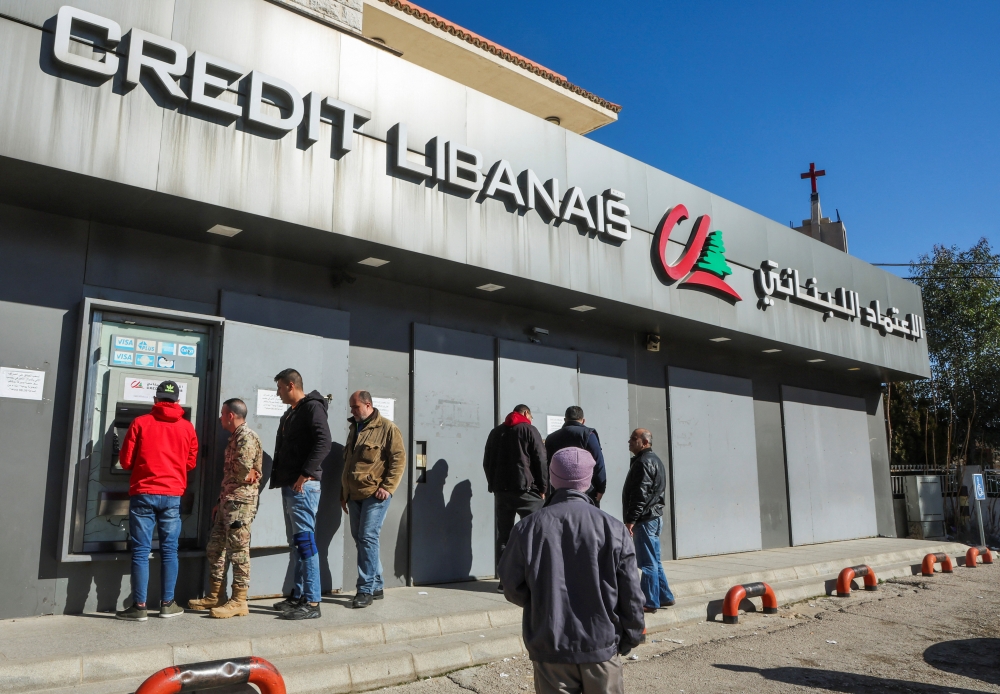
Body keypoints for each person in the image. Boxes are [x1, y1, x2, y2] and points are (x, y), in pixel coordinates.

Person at [498, 447, 644, 694]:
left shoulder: (527, 528)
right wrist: (630, 635)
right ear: (587, 481)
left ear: (553, 478)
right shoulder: (614, 528)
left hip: (551, 647)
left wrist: (542, 604)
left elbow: (511, 586)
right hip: (601, 645)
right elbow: (631, 593)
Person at [115, 380, 199, 621]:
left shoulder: (140, 423)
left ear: (155, 399)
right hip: (172, 495)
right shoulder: (187, 428)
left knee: (141, 552)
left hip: (144, 493)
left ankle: (139, 606)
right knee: (169, 551)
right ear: (178, 402)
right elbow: (190, 463)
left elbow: (126, 461)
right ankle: (167, 604)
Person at [188, 398, 263, 618]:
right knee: (215, 547)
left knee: (238, 552)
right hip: (228, 501)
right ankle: (215, 595)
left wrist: (250, 474)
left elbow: (244, 471)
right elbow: (238, 474)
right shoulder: (234, 438)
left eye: (222, 414)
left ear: (231, 415)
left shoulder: (246, 438)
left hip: (240, 504)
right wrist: (221, 502)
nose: (220, 418)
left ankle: (239, 600)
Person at [270, 368, 332, 620]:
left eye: (280, 388)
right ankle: (298, 596)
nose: (278, 393)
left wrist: (305, 473)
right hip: (291, 486)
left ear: (291, 385)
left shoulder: (312, 408)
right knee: (297, 544)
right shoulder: (292, 413)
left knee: (305, 543)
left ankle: (313, 602)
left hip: (303, 487)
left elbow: (324, 441)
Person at [341, 390, 406, 608]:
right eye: (351, 407)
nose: (352, 411)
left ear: (368, 405)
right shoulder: (354, 428)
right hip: (354, 494)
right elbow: (349, 463)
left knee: (367, 537)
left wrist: (387, 487)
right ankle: (376, 584)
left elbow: (398, 459)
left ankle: (365, 589)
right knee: (361, 539)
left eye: (355, 407)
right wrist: (344, 493)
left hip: (375, 494)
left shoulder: (387, 428)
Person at [483, 404, 548, 585]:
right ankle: (533, 581)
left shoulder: (495, 433)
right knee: (534, 535)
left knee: (504, 537)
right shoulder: (529, 429)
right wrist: (543, 487)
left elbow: (487, 462)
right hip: (527, 492)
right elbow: (540, 459)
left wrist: (493, 485)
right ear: (526, 413)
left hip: (502, 493)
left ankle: (505, 582)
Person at [622, 428, 674, 612]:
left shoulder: (643, 463)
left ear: (644, 442)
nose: (629, 441)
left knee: (648, 563)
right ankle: (665, 596)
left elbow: (640, 495)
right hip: (653, 517)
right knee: (655, 560)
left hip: (645, 519)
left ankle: (649, 601)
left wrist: (631, 520)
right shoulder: (655, 460)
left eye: (633, 438)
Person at [544, 406, 607, 506]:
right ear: (583, 420)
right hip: (586, 491)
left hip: (558, 491)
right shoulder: (588, 435)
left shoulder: (551, 438)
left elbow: (546, 465)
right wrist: (601, 488)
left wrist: (545, 490)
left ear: (565, 420)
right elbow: (598, 462)